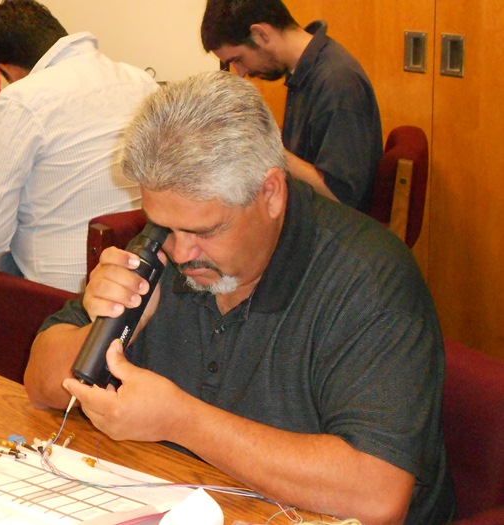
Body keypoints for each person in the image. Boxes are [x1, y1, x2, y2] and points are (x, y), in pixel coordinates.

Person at [24, 72, 455, 524]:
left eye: (205, 231)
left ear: (270, 193)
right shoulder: (161, 249)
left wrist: (181, 421)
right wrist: (111, 325)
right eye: (164, 227)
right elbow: (39, 382)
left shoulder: (368, 277)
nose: (180, 253)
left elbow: (377, 495)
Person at [0, 0, 158, 368]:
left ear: (8, 69)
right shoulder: (141, 80)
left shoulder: (21, 100)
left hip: (59, 289)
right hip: (139, 277)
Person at [201, 0, 382, 212]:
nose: (240, 72)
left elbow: (341, 198)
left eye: (238, 59)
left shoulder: (337, 82)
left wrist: (263, 145)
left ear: (261, 34)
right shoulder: (304, 72)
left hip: (334, 233)